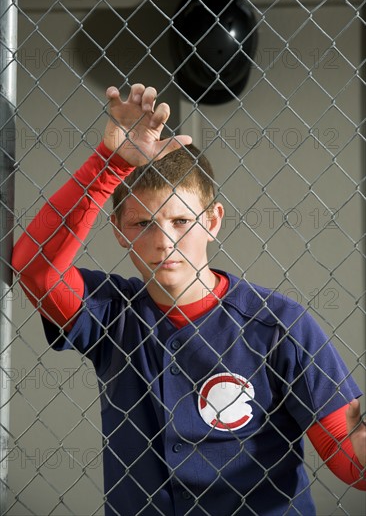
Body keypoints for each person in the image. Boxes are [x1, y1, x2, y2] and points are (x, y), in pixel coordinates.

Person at [12, 84, 365, 516]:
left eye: (182, 220)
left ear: (213, 220)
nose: (164, 242)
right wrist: (110, 164)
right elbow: (35, 267)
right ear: (119, 231)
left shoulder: (279, 324)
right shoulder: (112, 311)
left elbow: (350, 462)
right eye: (143, 223)